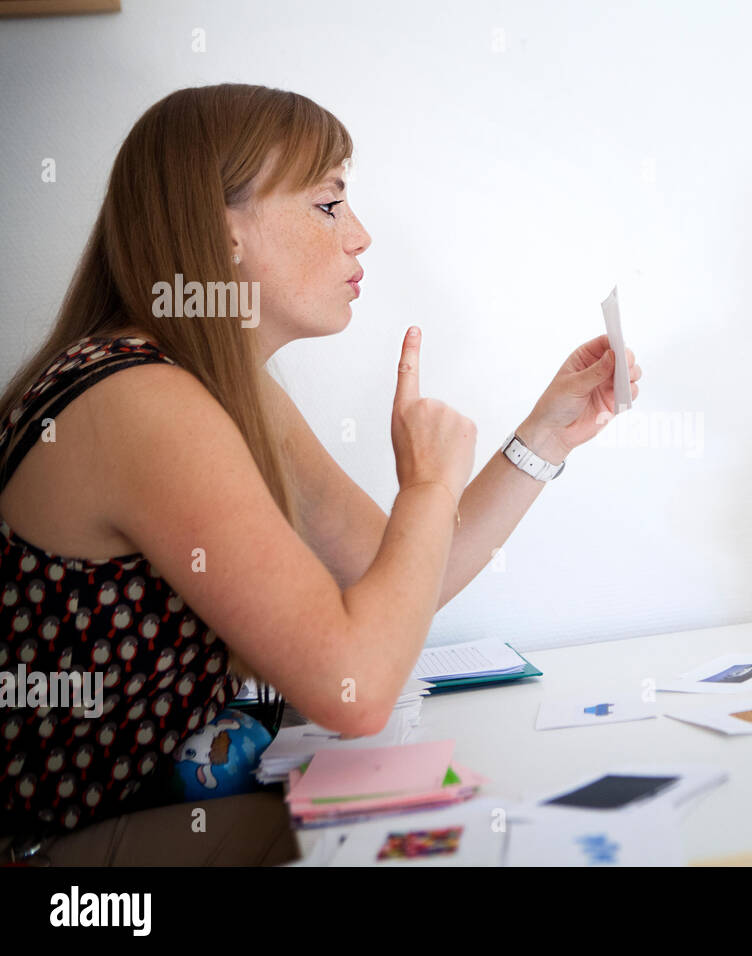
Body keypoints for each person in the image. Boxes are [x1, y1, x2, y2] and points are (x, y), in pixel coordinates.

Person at [0, 83, 641, 864]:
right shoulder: (144, 403)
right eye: (329, 203)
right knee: (435, 845)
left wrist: (545, 438)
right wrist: (427, 490)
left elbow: (399, 574)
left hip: (143, 809)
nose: (361, 234)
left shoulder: (214, 382)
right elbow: (354, 690)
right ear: (220, 229)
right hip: (57, 862)